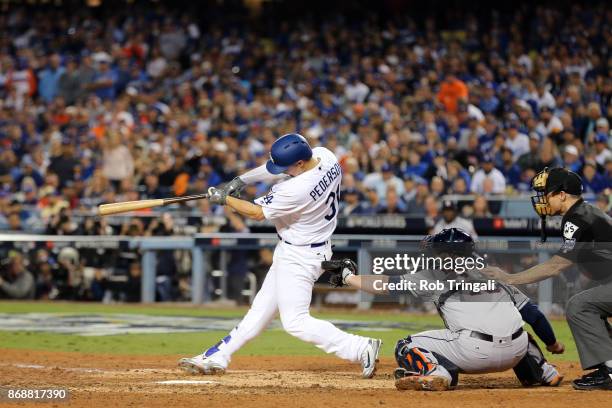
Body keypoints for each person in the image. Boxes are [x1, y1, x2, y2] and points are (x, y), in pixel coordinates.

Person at [178, 133, 381, 378]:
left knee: (295, 321)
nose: (281, 170)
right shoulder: (326, 156)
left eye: (286, 167)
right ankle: (216, 356)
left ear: (300, 164)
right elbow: (272, 168)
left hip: (301, 255)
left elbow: (256, 213)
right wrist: (242, 179)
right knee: (259, 312)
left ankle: (360, 348)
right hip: (304, 247)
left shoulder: (296, 189)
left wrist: (225, 199)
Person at [323, 228, 563, 391]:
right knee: (519, 329)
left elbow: (386, 286)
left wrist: (348, 277)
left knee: (405, 345)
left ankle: (439, 373)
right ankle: (543, 371)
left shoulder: (433, 275)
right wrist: (553, 344)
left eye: (436, 252)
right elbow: (534, 315)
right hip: (516, 352)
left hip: (474, 353)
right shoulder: (493, 272)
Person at [484, 167, 612, 390]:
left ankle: (609, 371)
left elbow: (556, 266)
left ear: (562, 195)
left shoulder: (577, 218)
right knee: (590, 306)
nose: (542, 199)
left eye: (547, 193)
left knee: (579, 306)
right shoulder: (585, 213)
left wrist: (510, 278)